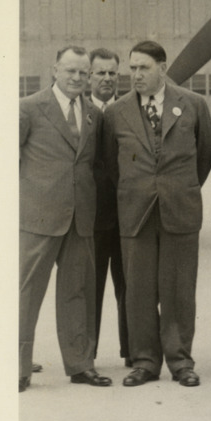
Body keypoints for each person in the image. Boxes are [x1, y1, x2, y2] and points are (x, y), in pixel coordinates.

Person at [102, 40, 211, 387]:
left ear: (162, 68)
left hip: (179, 209)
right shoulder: (116, 112)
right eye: (132, 68)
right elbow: (110, 163)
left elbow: (205, 155)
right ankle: (145, 362)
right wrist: (139, 188)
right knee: (138, 290)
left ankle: (181, 362)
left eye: (143, 68)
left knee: (180, 290)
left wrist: (177, 187)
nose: (135, 75)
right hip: (135, 212)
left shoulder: (193, 104)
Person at [19, 45, 110, 391]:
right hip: (39, 217)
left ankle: (80, 365)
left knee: (78, 292)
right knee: (27, 294)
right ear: (54, 69)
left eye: (83, 73)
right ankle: (18, 368)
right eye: (70, 70)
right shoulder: (28, 108)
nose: (77, 78)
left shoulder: (93, 114)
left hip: (80, 217)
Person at [86, 47, 129, 368]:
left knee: (129, 288)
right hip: (91, 221)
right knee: (91, 289)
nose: (107, 79)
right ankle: (86, 355)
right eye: (100, 73)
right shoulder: (81, 112)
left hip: (128, 218)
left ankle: (133, 352)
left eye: (112, 73)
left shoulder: (128, 111)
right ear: (89, 76)